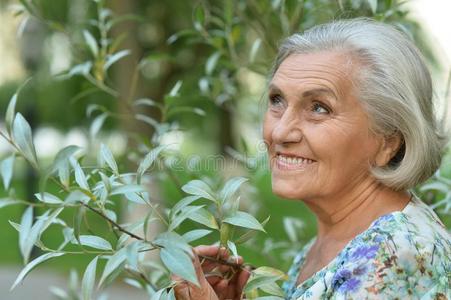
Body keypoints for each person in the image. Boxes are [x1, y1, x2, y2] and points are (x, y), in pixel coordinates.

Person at [173, 18, 451, 299]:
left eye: (319, 108)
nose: (280, 132)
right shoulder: (343, 237)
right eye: (277, 100)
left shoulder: (390, 256)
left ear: (388, 141)